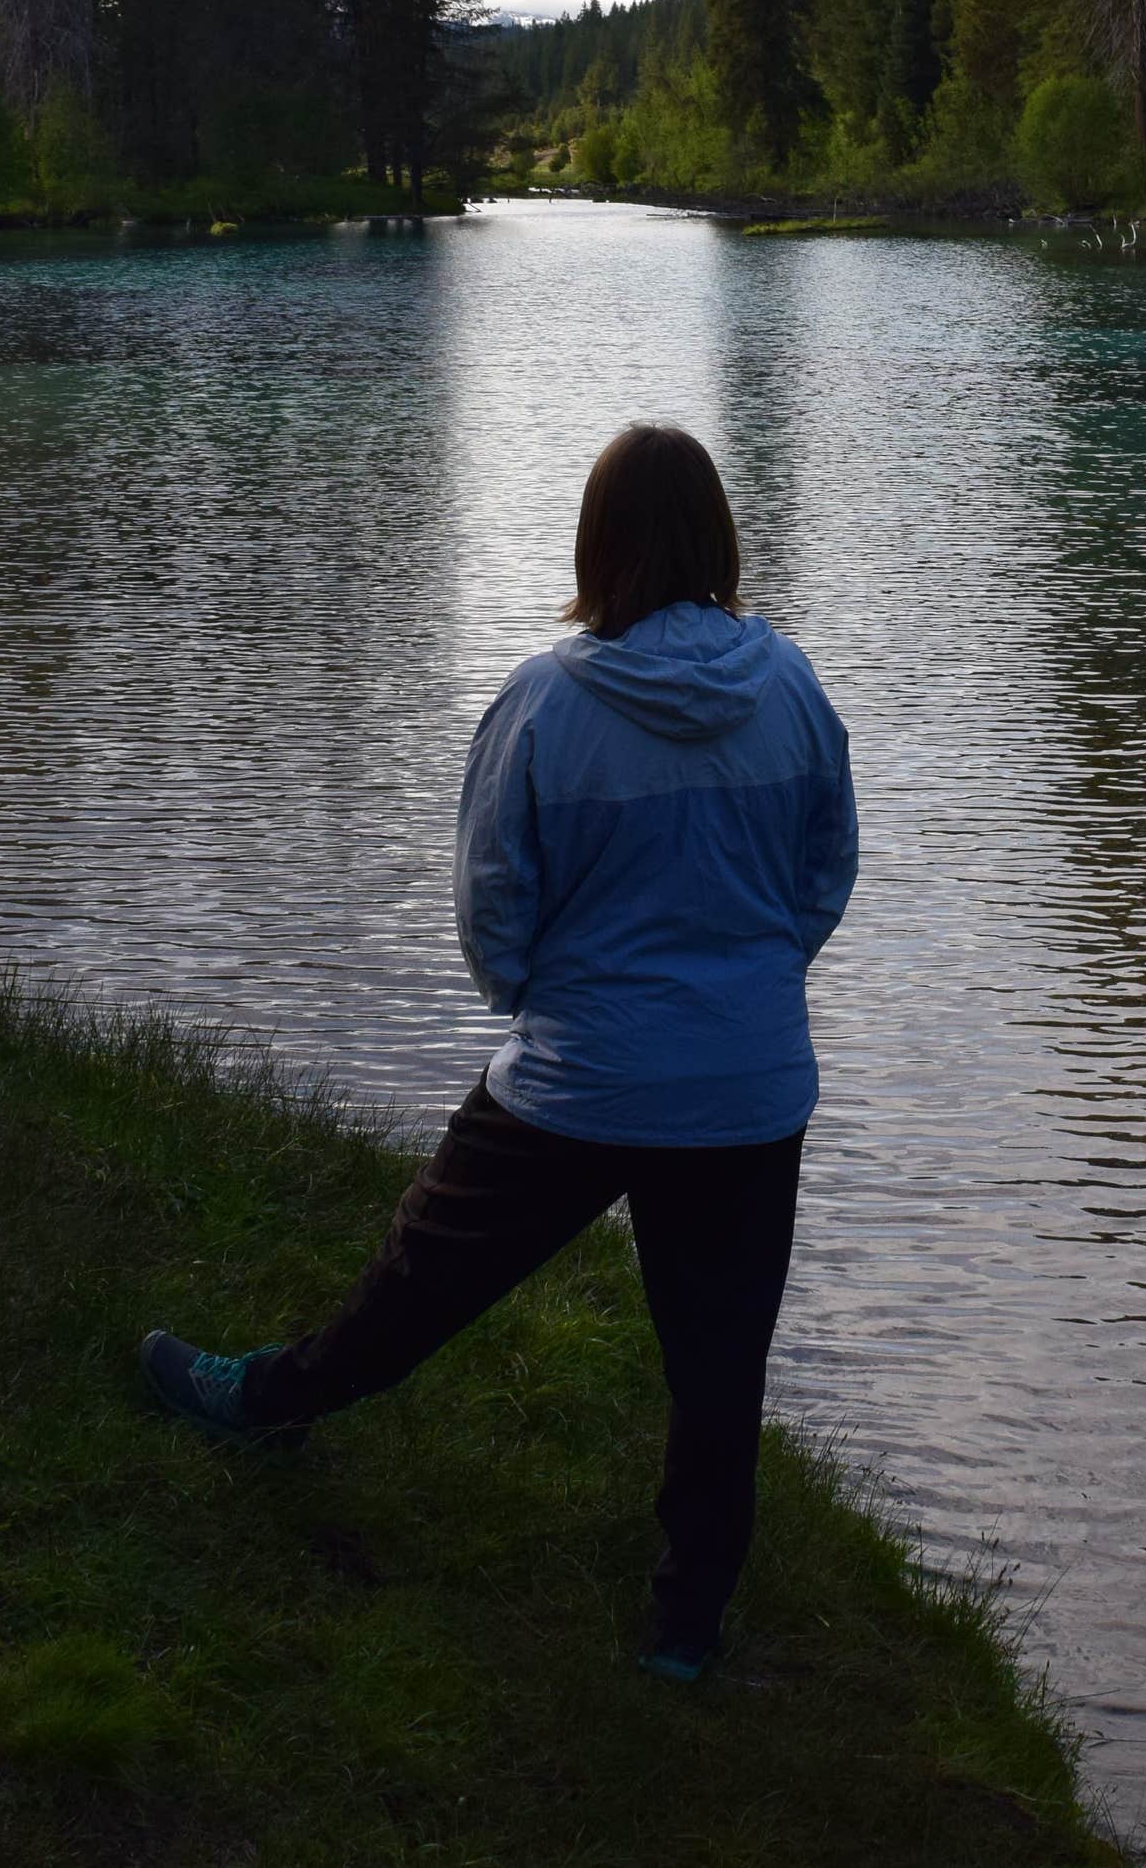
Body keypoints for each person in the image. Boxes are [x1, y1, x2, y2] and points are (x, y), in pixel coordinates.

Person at [139, 422, 858, 1683]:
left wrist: (553, 1006)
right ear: (719, 539)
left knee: (424, 1276)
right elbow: (823, 875)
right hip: (749, 1084)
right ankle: (685, 1633)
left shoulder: (544, 701)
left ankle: (268, 1404)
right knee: (720, 1362)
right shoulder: (792, 686)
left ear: (600, 542)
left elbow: (493, 907)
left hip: (581, 1071)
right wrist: (747, 989)